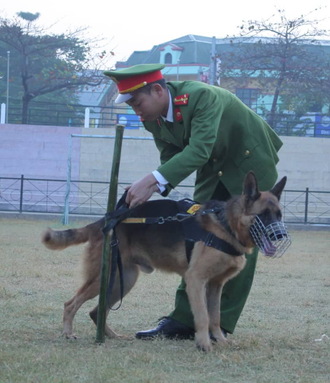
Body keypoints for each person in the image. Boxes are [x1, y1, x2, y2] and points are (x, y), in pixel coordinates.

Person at [103, 63, 283, 340]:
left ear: (158, 90)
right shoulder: (152, 118)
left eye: (138, 103)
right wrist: (157, 184)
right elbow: (170, 156)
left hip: (248, 161)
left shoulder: (200, 96)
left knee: (243, 242)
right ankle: (184, 321)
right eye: (132, 106)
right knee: (195, 236)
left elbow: (199, 149)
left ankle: (219, 325)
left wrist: (151, 180)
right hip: (213, 166)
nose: (136, 111)